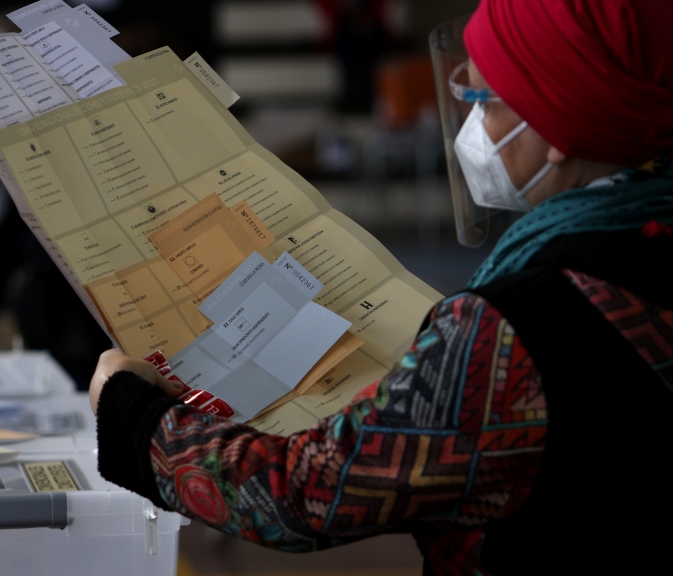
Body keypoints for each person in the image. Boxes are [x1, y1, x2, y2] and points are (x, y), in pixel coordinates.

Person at [87, 1, 673, 573]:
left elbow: (307, 493)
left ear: (558, 128)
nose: (470, 126)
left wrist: (134, 416)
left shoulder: (515, 330)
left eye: (482, 101)